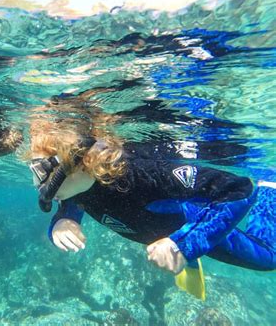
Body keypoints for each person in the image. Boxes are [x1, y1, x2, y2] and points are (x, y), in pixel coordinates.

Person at [25, 120, 275, 300]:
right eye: (33, 171)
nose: (39, 186)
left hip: (193, 222)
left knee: (268, 258)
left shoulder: (143, 175)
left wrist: (185, 244)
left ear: (83, 163)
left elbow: (239, 190)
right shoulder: (72, 187)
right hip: (160, 233)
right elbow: (72, 199)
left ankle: (270, 187)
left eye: (44, 173)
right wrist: (64, 219)